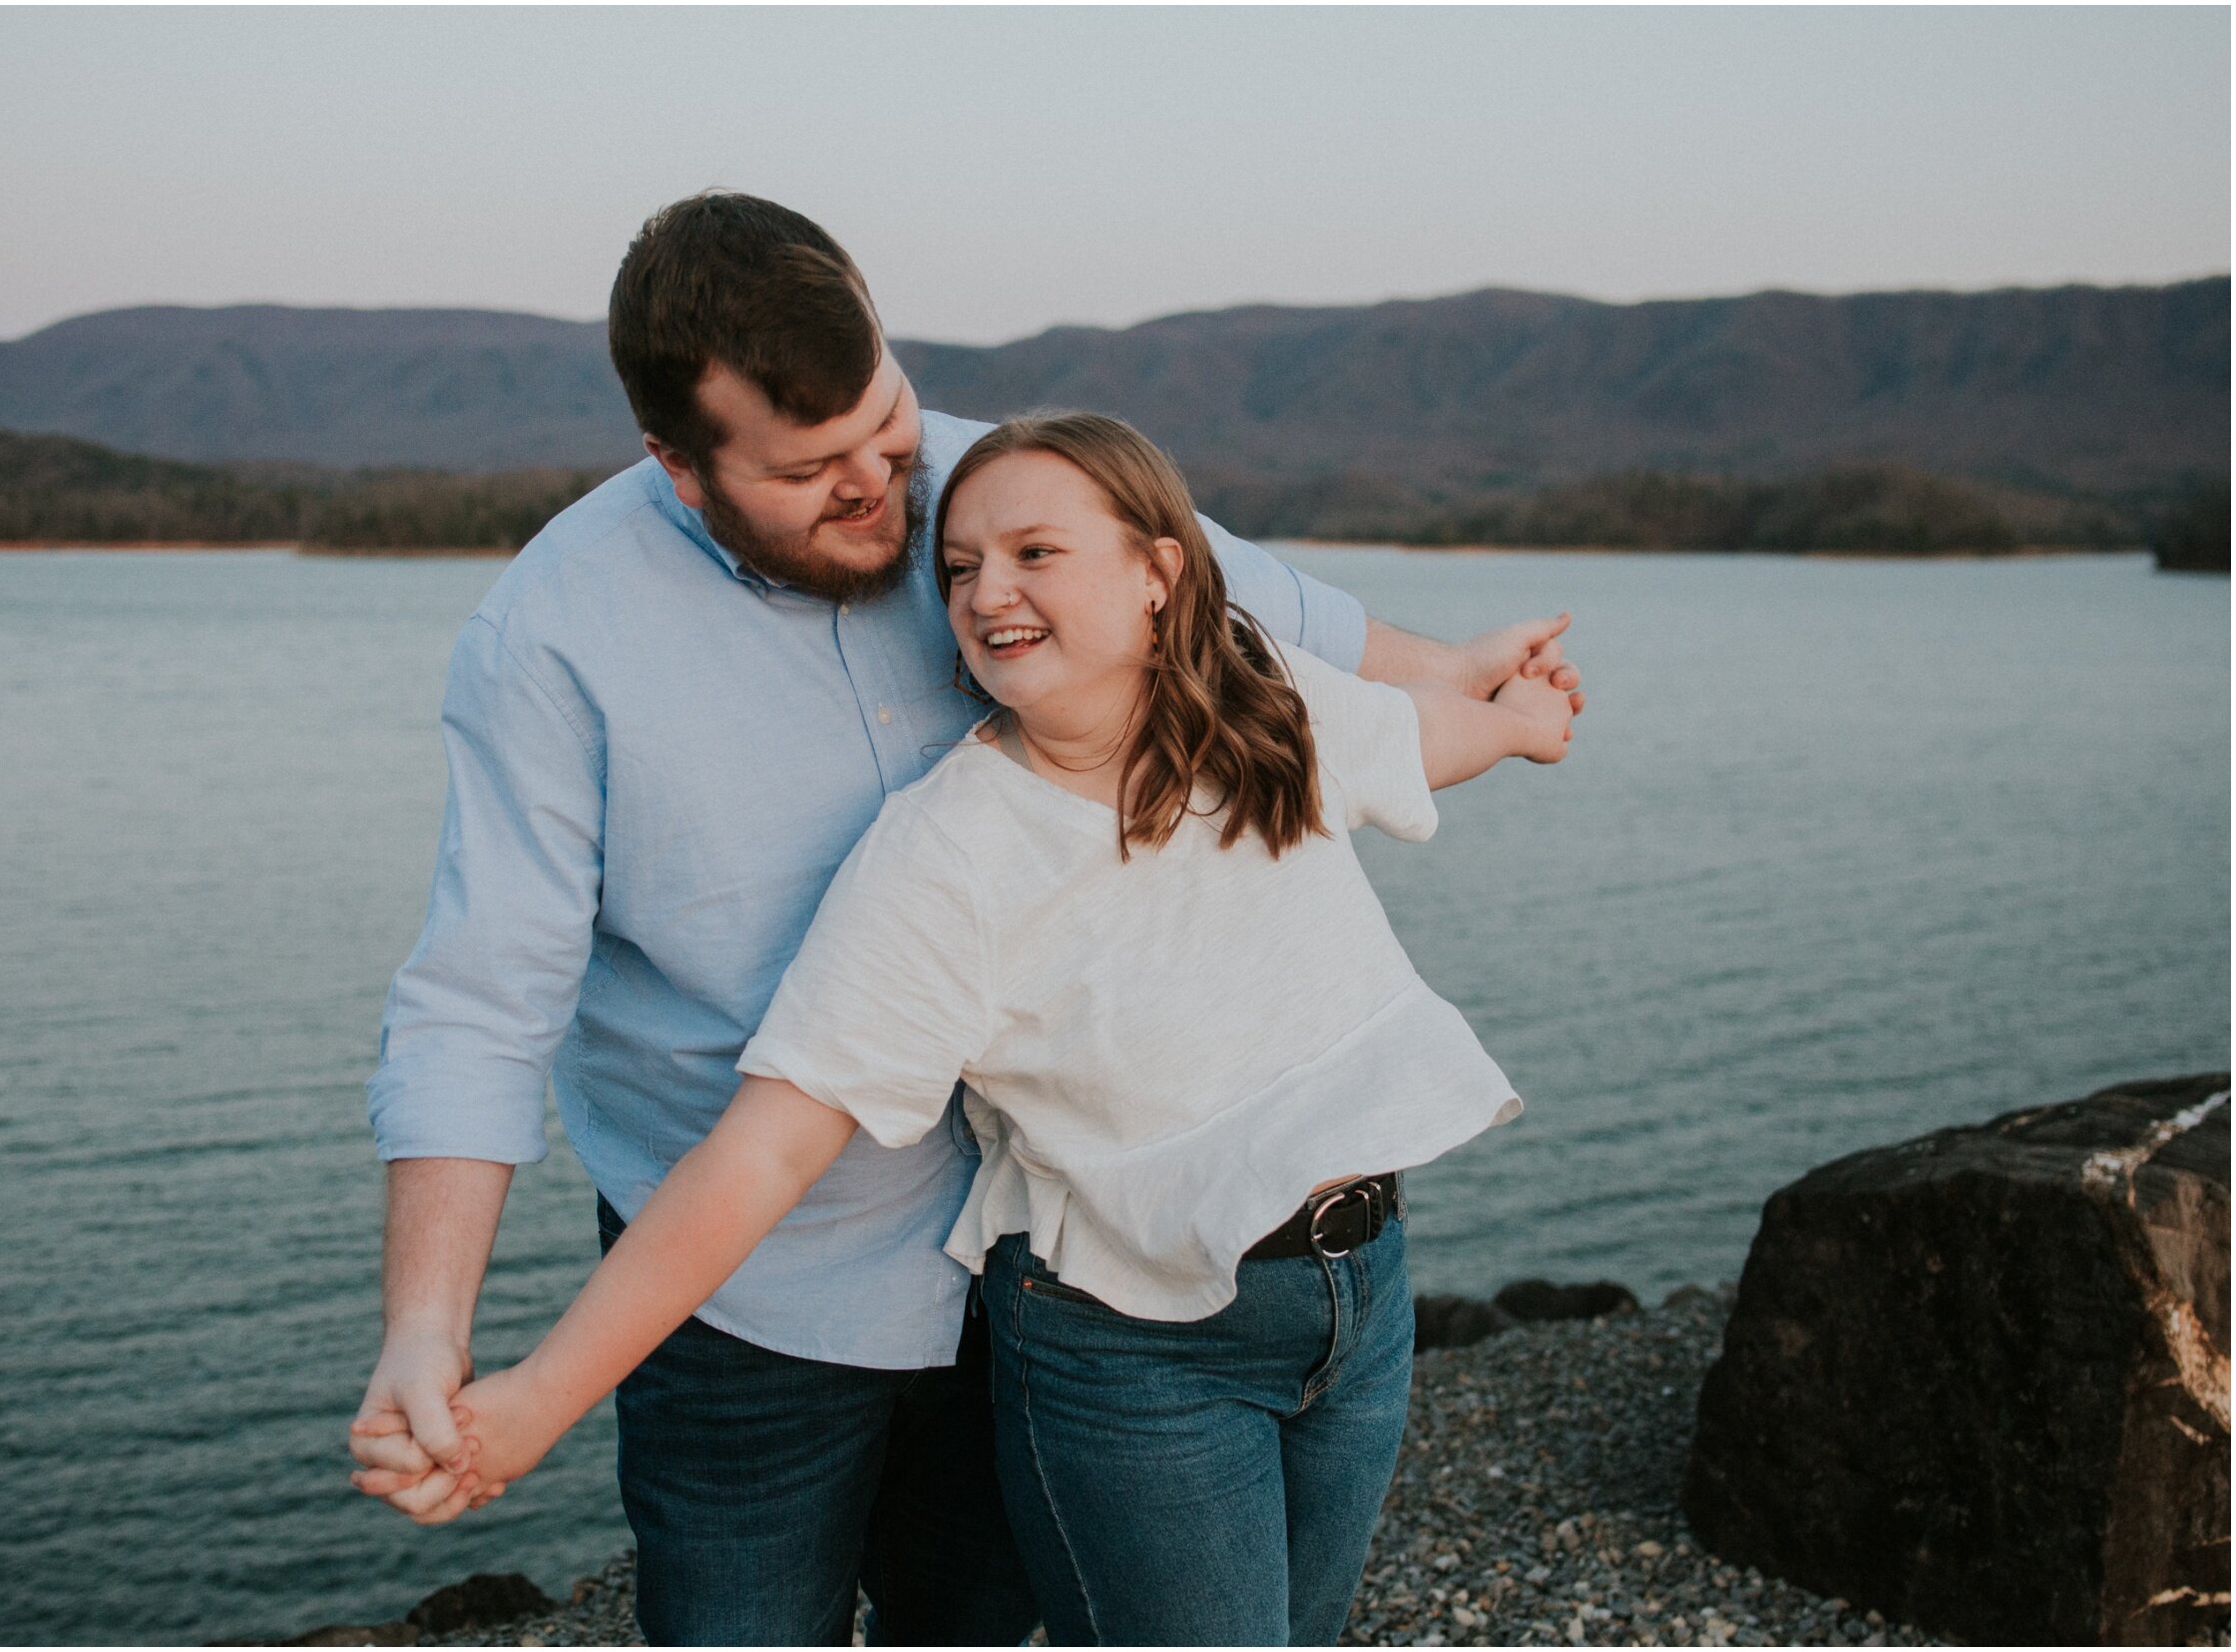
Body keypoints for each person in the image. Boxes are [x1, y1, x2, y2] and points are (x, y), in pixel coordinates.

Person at [345, 193, 1584, 1646]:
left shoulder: (1000, 497)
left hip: (1035, 1266)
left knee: (983, 1616)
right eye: (822, 473)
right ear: (681, 469)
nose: (894, 492)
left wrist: (1489, 694)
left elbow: (1263, 616)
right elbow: (491, 1011)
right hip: (768, 1290)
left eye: (894, 433)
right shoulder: (559, 646)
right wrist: (458, 1350)